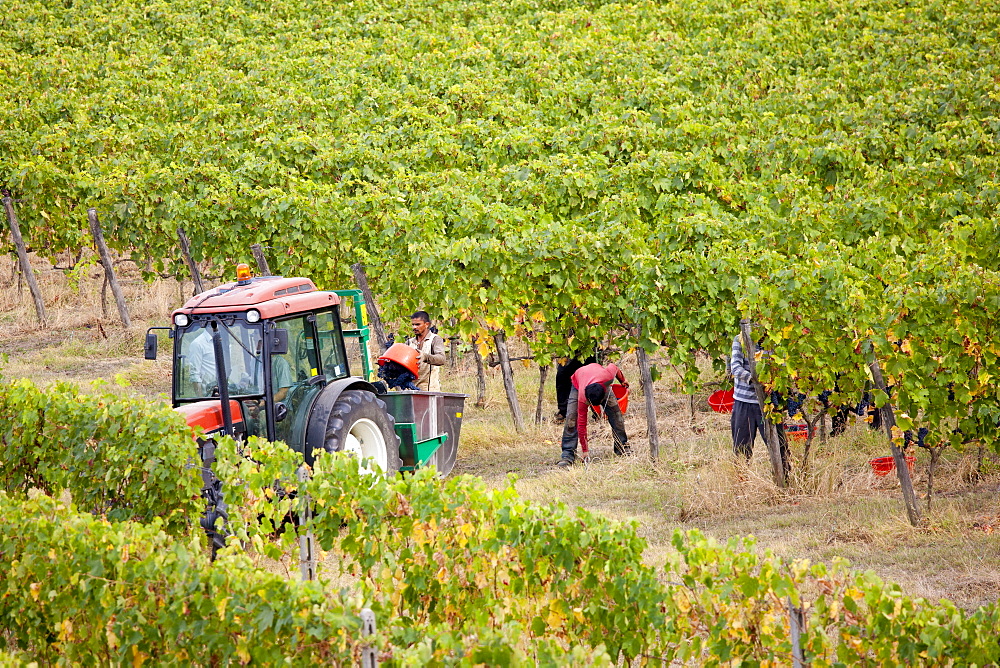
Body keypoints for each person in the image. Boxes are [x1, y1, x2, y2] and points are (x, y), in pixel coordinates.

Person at [728, 332, 789, 469]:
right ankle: (742, 483)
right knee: (741, 448)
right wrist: (755, 380)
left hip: (769, 403)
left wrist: (776, 384)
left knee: (779, 447)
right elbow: (735, 368)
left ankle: (784, 480)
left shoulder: (776, 339)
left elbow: (784, 367)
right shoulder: (740, 339)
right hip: (744, 403)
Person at [556, 362, 629, 466]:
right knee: (571, 418)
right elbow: (582, 425)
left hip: (600, 381)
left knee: (616, 415)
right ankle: (567, 454)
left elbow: (614, 366)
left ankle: (622, 447)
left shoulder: (608, 378)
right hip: (579, 381)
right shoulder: (582, 395)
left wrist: (623, 380)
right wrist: (585, 451)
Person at [406, 310, 446, 392]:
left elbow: (441, 359)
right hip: (410, 389)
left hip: (429, 390)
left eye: (417, 324)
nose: (414, 327)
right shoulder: (409, 342)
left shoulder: (435, 339)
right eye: (413, 324)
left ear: (427, 324)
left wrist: (425, 357)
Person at [553, 355, 596, 423]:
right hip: (568, 351)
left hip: (588, 349)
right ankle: (563, 412)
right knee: (562, 376)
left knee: (592, 381)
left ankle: (597, 412)